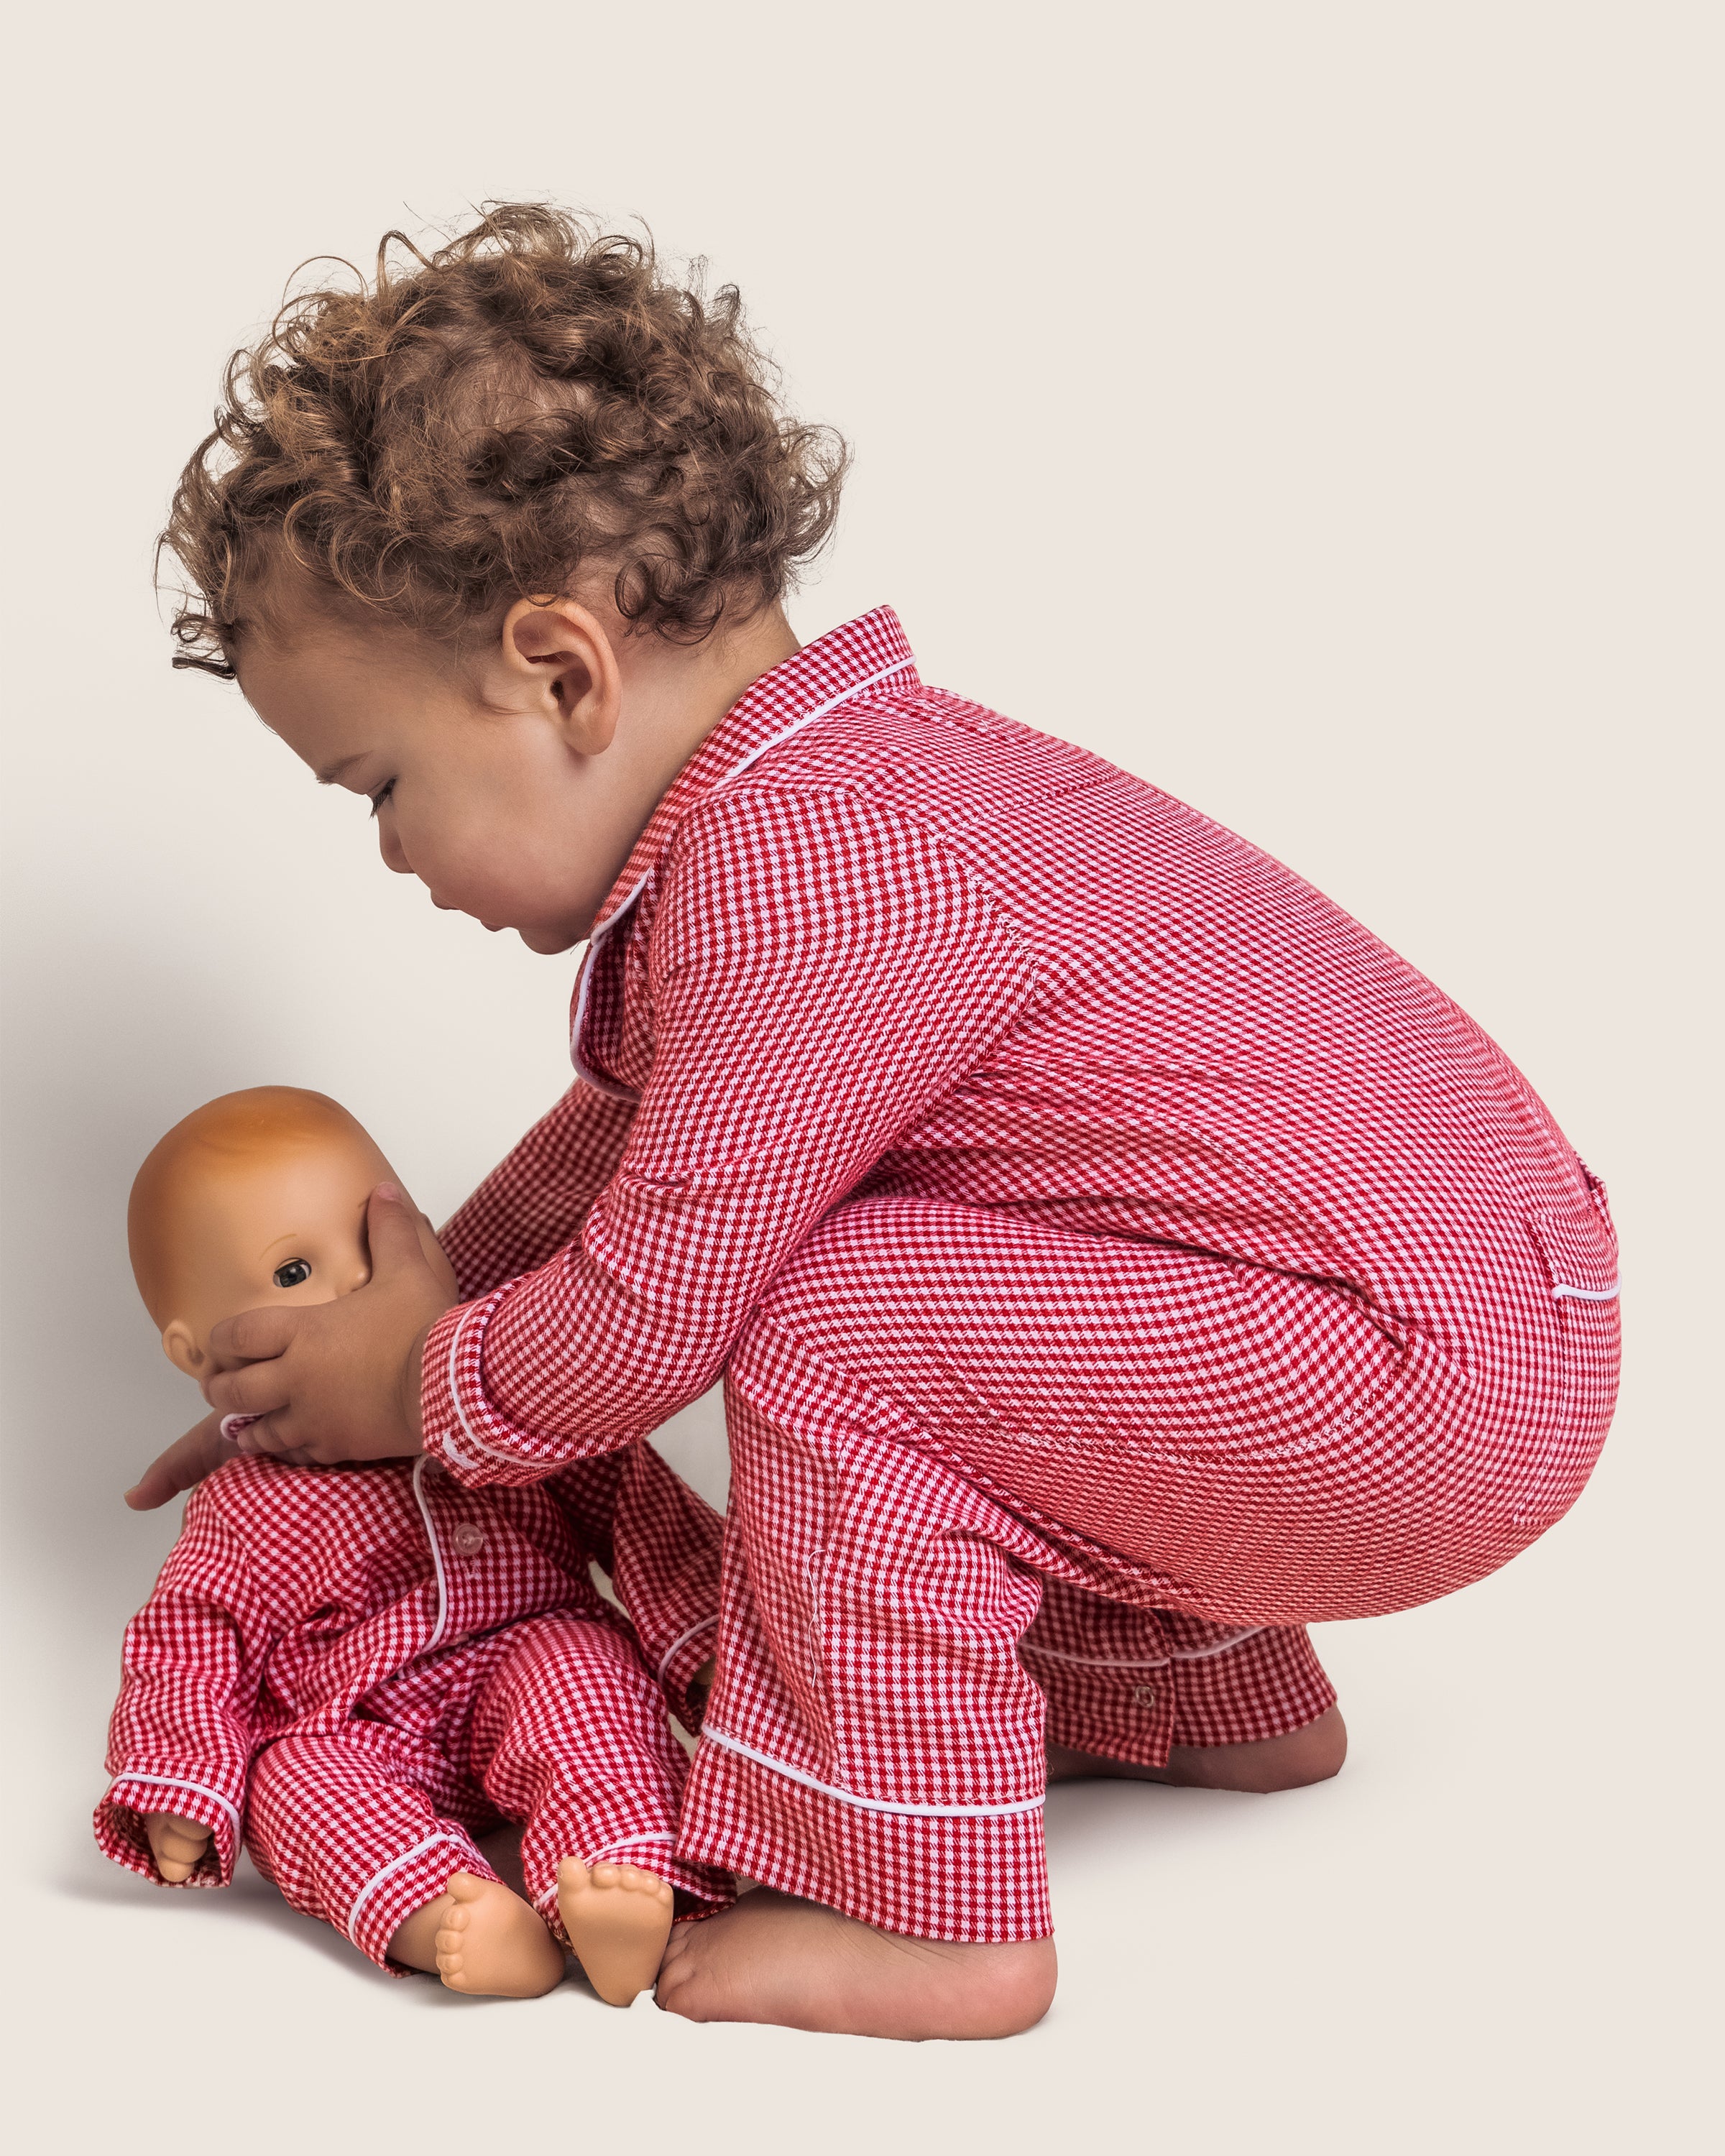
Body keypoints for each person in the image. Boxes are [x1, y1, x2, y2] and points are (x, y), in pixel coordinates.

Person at [130, 206, 1619, 2041]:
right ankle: (1225, 1706)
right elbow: (623, 1145)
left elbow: (648, 1307)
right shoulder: (841, 797)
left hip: (1412, 1378)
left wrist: (419, 1389)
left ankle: (933, 1917)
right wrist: (387, 1320)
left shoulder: (800, 877)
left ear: (560, 669)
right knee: (977, 1282)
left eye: (382, 786)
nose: (393, 855)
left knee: (835, 1314)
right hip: (1458, 1315)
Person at [106, 1086, 730, 2001]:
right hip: (355, 1720)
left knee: (589, 1679)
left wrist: (713, 1649)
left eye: (377, 1241)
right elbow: (194, 1637)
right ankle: (441, 1914)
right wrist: (181, 1776)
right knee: (292, 1784)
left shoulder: (499, 1403)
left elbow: (641, 1513)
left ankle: (623, 1876)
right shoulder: (250, 1503)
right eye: (294, 1274)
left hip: (525, 1653)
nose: (363, 1288)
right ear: (197, 1350)